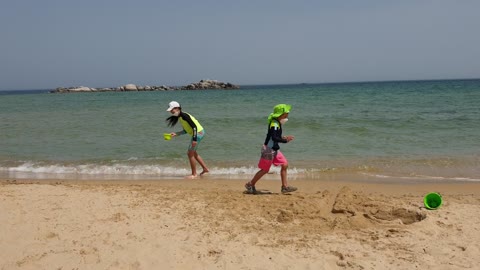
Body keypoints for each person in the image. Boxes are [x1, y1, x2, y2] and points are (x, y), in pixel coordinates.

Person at [245, 104, 297, 194]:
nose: (287, 116)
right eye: (286, 114)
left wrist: (283, 137)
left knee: (284, 165)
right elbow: (274, 138)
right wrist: (285, 140)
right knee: (265, 170)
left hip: (275, 149)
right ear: (280, 114)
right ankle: (250, 184)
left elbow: (275, 136)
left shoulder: (277, 123)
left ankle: (284, 187)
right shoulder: (274, 124)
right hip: (269, 150)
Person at [166, 101, 209, 179]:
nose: (171, 112)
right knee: (193, 153)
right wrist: (176, 134)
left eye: (172, 110)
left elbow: (194, 127)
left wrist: (194, 139)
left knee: (190, 153)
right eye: (170, 111)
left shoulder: (184, 116)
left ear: (177, 108)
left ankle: (194, 174)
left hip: (198, 133)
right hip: (198, 133)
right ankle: (205, 169)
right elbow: (186, 130)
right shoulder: (180, 117)